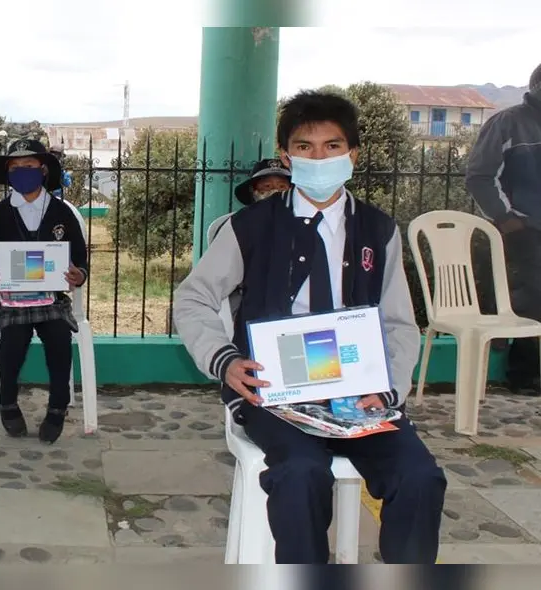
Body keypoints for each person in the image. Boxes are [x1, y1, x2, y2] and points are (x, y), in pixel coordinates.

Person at [173, 90, 446, 564]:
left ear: (353, 155)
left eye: (332, 146)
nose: (319, 157)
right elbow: (193, 296)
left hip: (361, 392)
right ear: (286, 155)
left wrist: (387, 392)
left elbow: (400, 324)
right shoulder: (250, 227)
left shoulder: (379, 231)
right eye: (304, 147)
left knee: (420, 476)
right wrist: (226, 360)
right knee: (300, 474)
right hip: (275, 393)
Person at [0, 139, 88, 444]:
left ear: (43, 170)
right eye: (15, 167)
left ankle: (58, 407)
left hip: (52, 299)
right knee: (13, 338)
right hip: (7, 300)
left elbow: (81, 261)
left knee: (60, 338)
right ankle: (7, 402)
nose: (23, 172)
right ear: (8, 173)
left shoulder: (63, 214)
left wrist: (78, 274)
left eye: (29, 166)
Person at [466, 62, 541, 396]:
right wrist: (508, 220)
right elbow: (481, 176)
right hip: (526, 229)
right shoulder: (509, 123)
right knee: (534, 297)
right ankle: (524, 375)